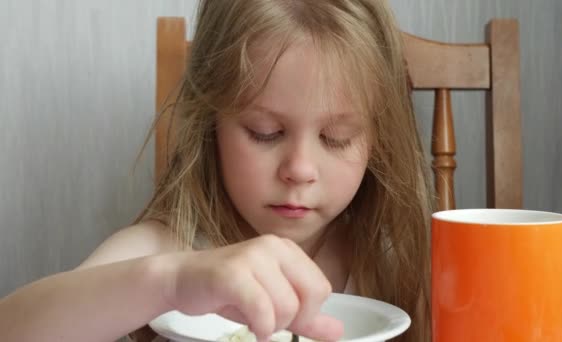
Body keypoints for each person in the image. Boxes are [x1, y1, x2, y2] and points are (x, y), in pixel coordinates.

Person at [0, 0, 433, 341]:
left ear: (377, 138)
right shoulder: (172, 248)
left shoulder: (389, 260)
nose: (299, 169)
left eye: (336, 137)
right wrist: (171, 283)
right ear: (211, 124)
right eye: (265, 132)